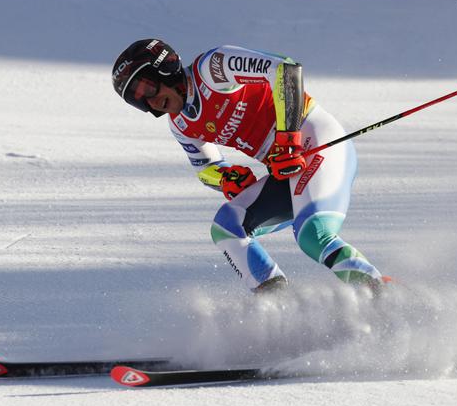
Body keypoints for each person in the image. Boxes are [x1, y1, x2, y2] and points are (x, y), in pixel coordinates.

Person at [112, 39, 388, 295]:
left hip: (316, 141)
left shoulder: (213, 68)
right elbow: (205, 168)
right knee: (227, 227)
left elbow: (287, 70)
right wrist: (225, 178)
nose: (149, 102)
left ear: (165, 68)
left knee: (312, 235)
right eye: (137, 100)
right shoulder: (182, 125)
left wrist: (287, 137)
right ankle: (279, 306)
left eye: (146, 88)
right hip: (286, 165)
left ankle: (383, 295)